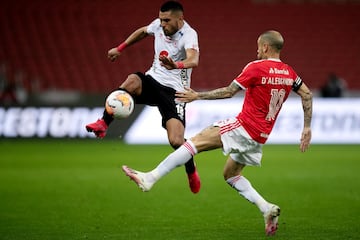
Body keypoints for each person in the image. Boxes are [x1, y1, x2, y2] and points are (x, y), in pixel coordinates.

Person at [122, 30, 313, 236]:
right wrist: (307, 127)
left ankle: (150, 178)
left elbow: (229, 91)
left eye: (259, 46)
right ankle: (266, 208)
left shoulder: (256, 67)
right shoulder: (289, 72)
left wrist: (198, 96)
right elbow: (307, 94)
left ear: (266, 47)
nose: (257, 50)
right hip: (261, 136)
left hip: (244, 127)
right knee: (230, 175)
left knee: (192, 144)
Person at [85, 1, 201, 193]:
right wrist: (119, 48)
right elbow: (142, 32)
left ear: (180, 18)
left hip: (175, 92)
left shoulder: (189, 34)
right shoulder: (158, 25)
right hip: (152, 81)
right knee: (132, 80)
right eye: (161, 19)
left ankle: (191, 171)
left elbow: (194, 59)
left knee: (176, 141)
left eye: (167, 20)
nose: (162, 24)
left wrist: (176, 65)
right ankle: (104, 123)